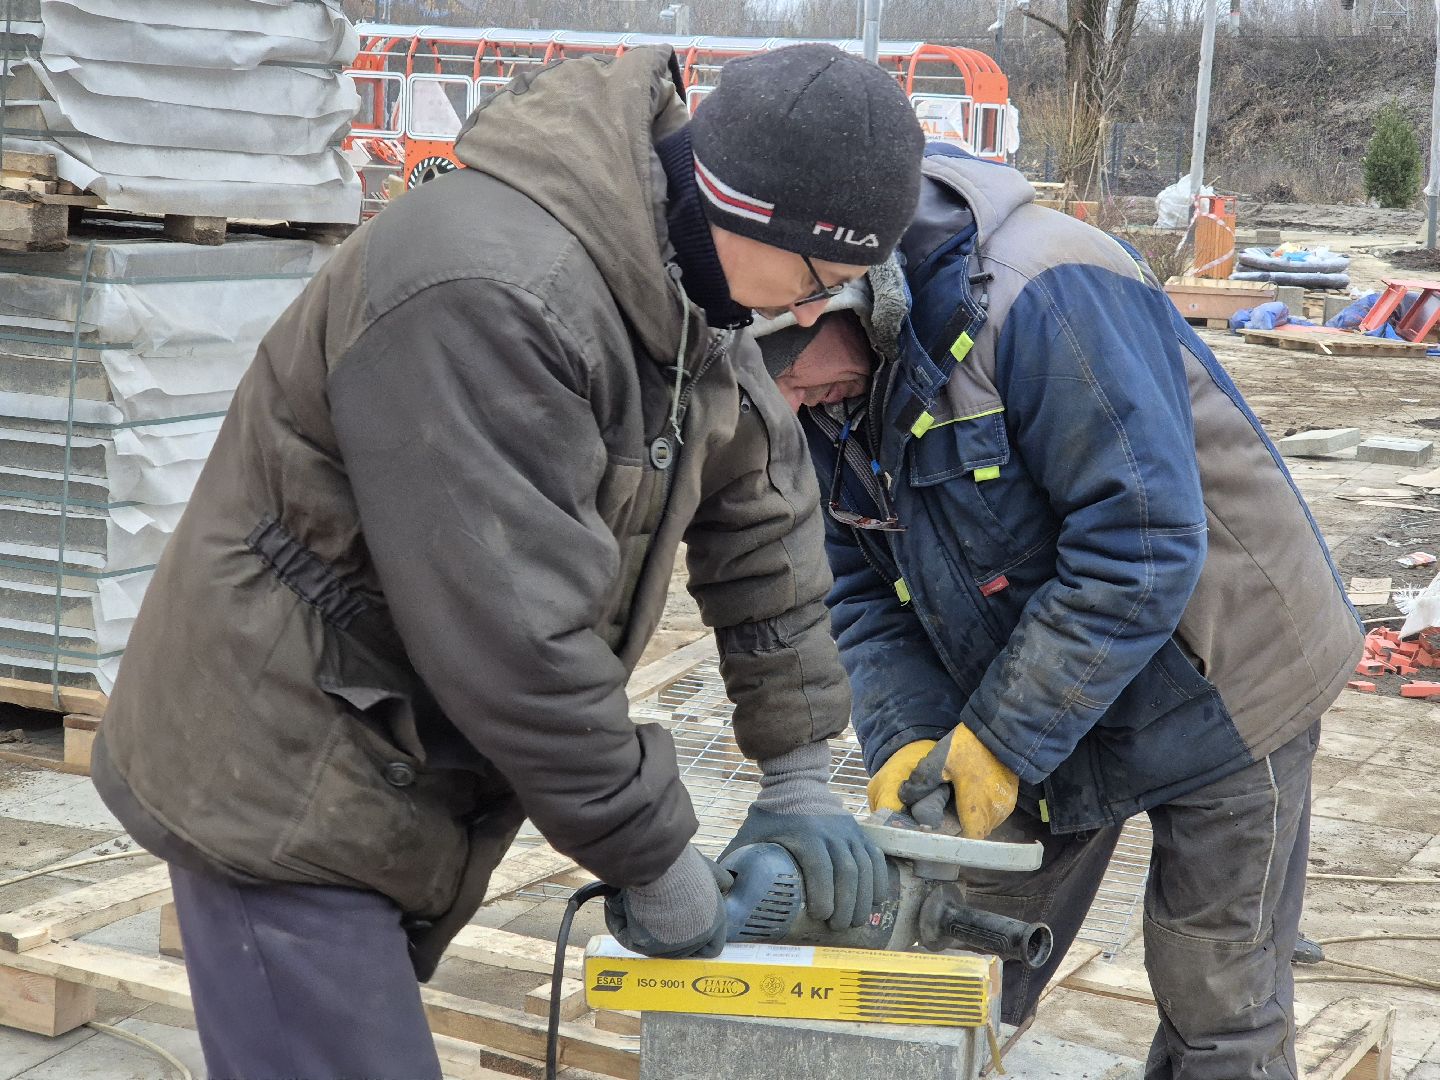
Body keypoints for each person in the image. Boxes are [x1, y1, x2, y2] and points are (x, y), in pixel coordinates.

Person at [90, 44, 924, 1079]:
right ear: (749, 209)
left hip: (387, 750)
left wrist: (799, 767)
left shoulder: (685, 286)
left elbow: (763, 509)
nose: (809, 314)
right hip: (275, 768)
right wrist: (653, 855)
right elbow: (518, 644)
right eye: (818, 281)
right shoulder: (491, 295)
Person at [754, 146, 1363, 1080]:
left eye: (787, 368)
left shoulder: (1042, 294)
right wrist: (914, 737)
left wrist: (1000, 739)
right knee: (945, 963)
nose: (789, 399)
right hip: (1047, 682)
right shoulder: (822, 398)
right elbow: (860, 589)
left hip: (1226, 677)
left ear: (845, 296)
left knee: (1218, 1005)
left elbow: (1142, 547)